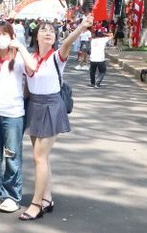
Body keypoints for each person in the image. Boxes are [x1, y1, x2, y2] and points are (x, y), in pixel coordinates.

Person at [17, 16, 93, 221]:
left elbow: (68, 42)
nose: (48, 32)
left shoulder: (57, 56)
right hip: (34, 106)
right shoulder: (31, 58)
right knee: (42, 157)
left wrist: (81, 27)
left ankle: (36, 204)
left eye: (52, 30)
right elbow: (26, 85)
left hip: (51, 106)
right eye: (43, 29)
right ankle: (47, 198)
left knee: (38, 158)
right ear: (35, 35)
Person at [0, 20, 34, 213]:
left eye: (5, 34)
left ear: (12, 36)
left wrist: (20, 46)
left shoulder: (19, 58)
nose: (1, 38)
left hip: (13, 115)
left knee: (12, 155)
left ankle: (12, 195)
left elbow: (32, 69)